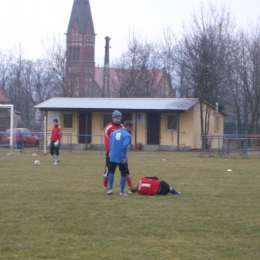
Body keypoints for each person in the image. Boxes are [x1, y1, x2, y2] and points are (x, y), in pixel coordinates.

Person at [103, 110, 132, 193]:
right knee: (108, 170)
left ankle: (129, 188)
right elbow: (107, 140)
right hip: (112, 152)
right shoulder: (109, 127)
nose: (119, 120)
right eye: (117, 118)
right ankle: (106, 188)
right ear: (113, 118)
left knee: (126, 170)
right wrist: (109, 150)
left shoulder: (122, 127)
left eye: (120, 118)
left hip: (119, 153)